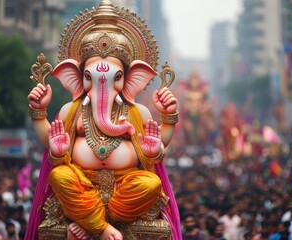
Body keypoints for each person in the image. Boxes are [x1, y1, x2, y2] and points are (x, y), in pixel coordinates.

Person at [25, 0, 181, 239]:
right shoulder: (72, 110)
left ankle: (93, 221)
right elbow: (52, 141)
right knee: (59, 176)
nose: (102, 87)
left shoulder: (138, 112)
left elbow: (157, 146)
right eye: (90, 77)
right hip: (83, 188)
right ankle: (100, 225)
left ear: (130, 79)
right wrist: (41, 115)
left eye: (114, 78)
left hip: (124, 191)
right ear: (76, 78)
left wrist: (163, 129)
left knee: (151, 183)